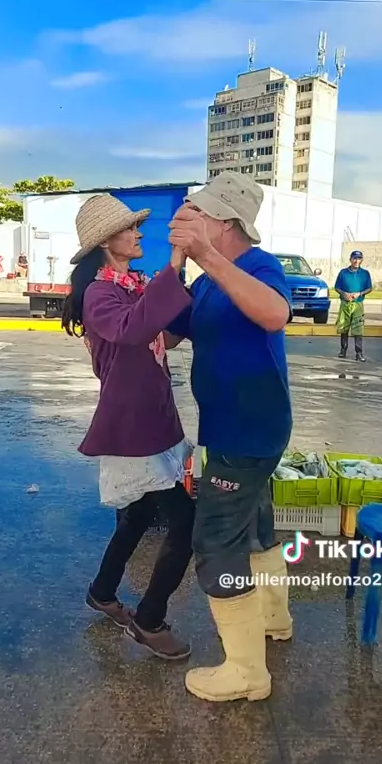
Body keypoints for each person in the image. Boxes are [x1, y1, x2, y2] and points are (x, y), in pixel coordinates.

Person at [166, 171, 293, 703]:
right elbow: (169, 334)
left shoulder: (260, 267)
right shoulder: (204, 283)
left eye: (198, 213)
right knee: (255, 521)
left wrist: (206, 257)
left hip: (250, 427)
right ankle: (273, 618)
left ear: (225, 222)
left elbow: (275, 313)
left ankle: (245, 671)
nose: (188, 219)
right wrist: (177, 265)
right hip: (228, 426)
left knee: (217, 541)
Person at [62, 193, 196, 660]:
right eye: (130, 228)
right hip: (133, 425)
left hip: (151, 417)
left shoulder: (129, 285)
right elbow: (134, 329)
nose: (139, 234)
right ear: (106, 241)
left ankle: (102, 592)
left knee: (137, 515)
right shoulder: (100, 293)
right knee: (185, 522)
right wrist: (174, 266)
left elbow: (160, 336)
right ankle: (149, 619)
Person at [334, 251, 372, 362]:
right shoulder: (343, 273)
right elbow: (337, 287)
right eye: (354, 258)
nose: (356, 261)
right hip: (345, 304)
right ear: (350, 259)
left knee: (358, 329)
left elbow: (369, 288)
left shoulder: (365, 273)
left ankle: (359, 353)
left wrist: (359, 293)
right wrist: (344, 294)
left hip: (358, 304)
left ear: (361, 260)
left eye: (359, 258)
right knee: (343, 328)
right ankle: (343, 350)